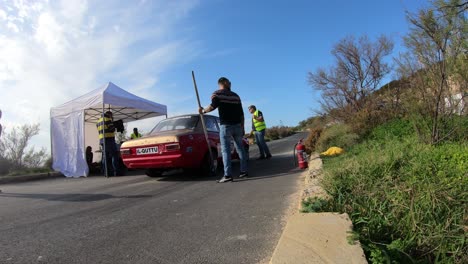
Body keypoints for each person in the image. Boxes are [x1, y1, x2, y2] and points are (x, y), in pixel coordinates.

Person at [199, 77, 248, 183]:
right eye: (229, 82)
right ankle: (243, 171)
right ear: (224, 82)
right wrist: (242, 127)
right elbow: (241, 114)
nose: (231, 84)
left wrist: (202, 110)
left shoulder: (216, 94)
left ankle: (228, 175)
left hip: (226, 126)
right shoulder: (236, 96)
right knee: (240, 149)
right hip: (237, 126)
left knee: (226, 151)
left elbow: (213, 106)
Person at [96, 111, 117, 177]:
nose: (112, 117)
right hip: (109, 140)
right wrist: (114, 125)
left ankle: (106, 172)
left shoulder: (98, 121)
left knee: (105, 157)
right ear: (109, 114)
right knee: (114, 155)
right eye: (111, 115)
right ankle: (116, 171)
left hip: (102, 140)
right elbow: (112, 129)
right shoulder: (108, 119)